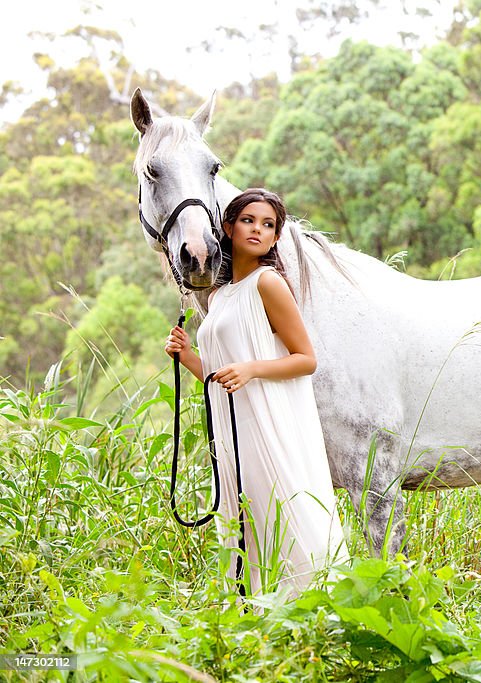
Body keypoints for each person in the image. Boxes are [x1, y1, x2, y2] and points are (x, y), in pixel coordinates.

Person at [164, 188, 349, 600]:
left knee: (286, 510)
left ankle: (315, 606)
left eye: (268, 225)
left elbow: (306, 359)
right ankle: (256, 612)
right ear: (228, 228)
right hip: (235, 430)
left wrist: (252, 369)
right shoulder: (219, 296)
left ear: (274, 238)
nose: (258, 230)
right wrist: (189, 356)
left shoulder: (269, 284)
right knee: (248, 519)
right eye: (249, 220)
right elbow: (218, 376)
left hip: (269, 422)